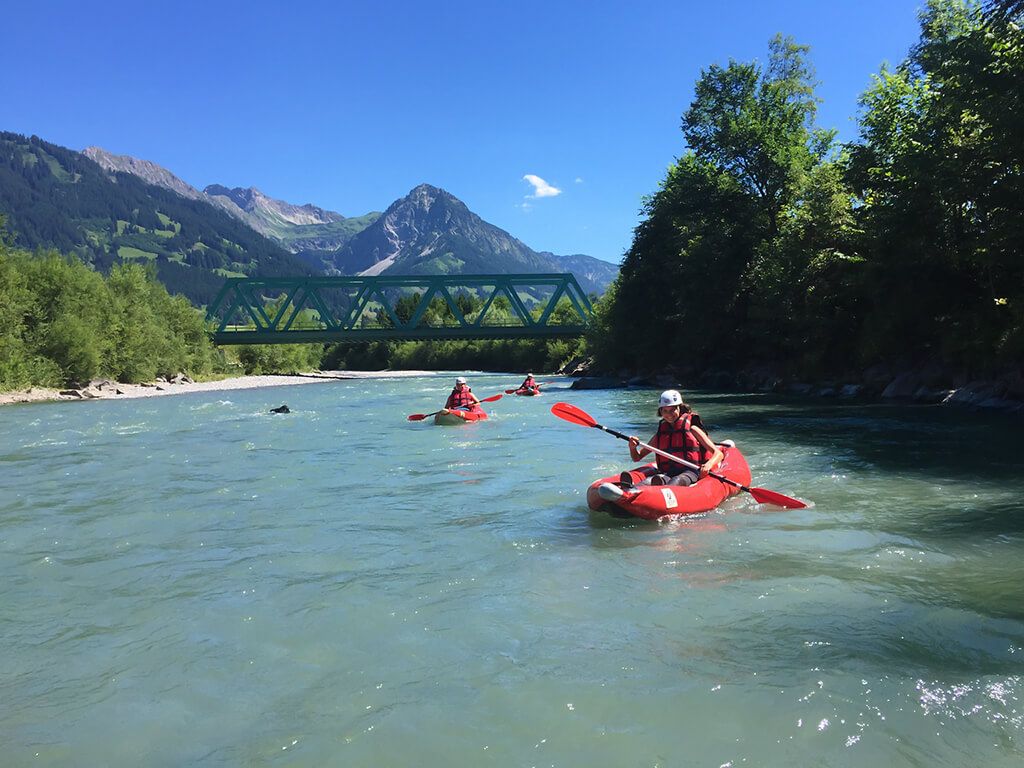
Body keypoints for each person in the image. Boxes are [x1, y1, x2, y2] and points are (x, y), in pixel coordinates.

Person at [620, 390, 723, 487]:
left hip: (691, 471)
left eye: (672, 410)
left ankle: (661, 489)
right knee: (650, 481)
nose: (669, 414)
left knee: (676, 481)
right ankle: (632, 489)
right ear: (661, 411)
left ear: (679, 408)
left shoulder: (693, 429)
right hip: (669, 472)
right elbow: (637, 457)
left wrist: (708, 465)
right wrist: (632, 448)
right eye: (665, 410)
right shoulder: (660, 434)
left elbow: (718, 453)